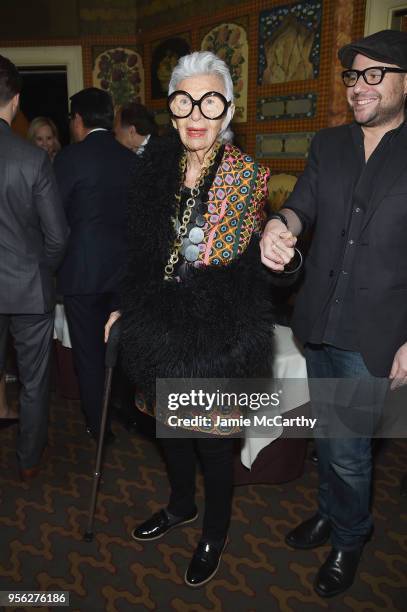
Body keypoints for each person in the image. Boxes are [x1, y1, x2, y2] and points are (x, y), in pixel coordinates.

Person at [105, 51, 289, 587]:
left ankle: (215, 529)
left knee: (212, 443)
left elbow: (227, 255)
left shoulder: (246, 176)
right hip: (158, 329)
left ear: (228, 109)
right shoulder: (155, 166)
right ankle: (181, 505)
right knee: (171, 432)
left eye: (210, 100)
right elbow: (141, 249)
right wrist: (125, 303)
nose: (197, 111)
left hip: (217, 334)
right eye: (185, 99)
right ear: (172, 106)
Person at [260, 29, 407, 598]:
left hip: (377, 334)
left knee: (348, 454)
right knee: (328, 437)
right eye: (352, 76)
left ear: (403, 82)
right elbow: (303, 203)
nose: (358, 87)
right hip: (318, 321)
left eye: (374, 74)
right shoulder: (328, 144)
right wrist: (281, 225)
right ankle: (328, 514)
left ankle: (350, 536)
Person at [0, 55, 68, 479]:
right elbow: (58, 236)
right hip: (28, 288)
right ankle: (28, 460)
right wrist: (39, 270)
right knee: (33, 380)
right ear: (16, 100)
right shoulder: (31, 159)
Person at [53, 88, 135, 442]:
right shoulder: (131, 159)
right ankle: (126, 411)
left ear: (78, 120)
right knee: (121, 349)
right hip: (125, 273)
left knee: (88, 354)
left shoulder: (70, 159)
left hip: (82, 272)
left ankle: (98, 425)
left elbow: (54, 217)